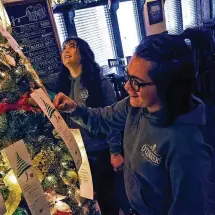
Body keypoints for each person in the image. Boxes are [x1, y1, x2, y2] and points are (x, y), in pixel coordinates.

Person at [53, 28, 214, 215]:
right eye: (128, 76)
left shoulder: (187, 145)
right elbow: (103, 118)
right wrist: (74, 108)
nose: (127, 86)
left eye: (136, 81)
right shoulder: (135, 106)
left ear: (167, 85)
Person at [44, 37, 120, 214]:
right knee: (85, 198)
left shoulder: (100, 83)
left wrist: (115, 151)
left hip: (98, 151)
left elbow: (113, 120)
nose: (66, 50)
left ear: (83, 54)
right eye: (64, 48)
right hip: (74, 152)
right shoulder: (60, 80)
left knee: (106, 196)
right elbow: (36, 81)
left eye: (72, 47)